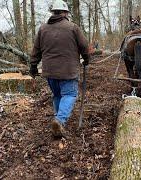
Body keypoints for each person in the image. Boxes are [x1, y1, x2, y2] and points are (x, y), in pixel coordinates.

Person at [30, 0, 90, 137]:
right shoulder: (73, 27)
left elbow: (36, 51)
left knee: (57, 95)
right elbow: (84, 47)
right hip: (68, 71)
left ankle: (57, 121)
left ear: (53, 13)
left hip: (49, 72)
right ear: (65, 13)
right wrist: (86, 59)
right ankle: (59, 120)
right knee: (69, 95)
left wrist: (33, 66)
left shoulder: (43, 29)